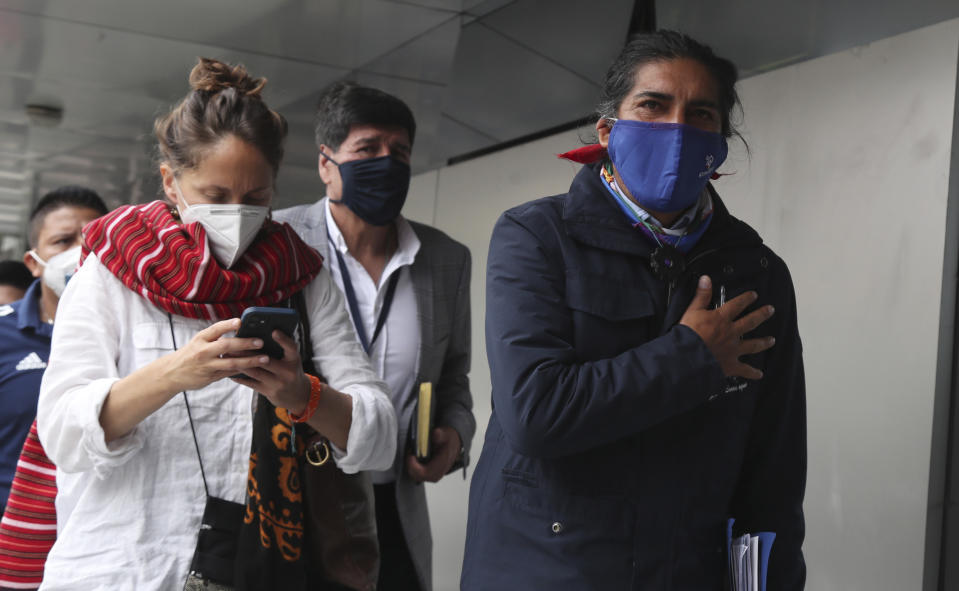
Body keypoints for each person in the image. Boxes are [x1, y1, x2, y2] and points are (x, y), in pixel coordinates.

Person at [461, 30, 806, 590]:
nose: (677, 129)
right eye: (652, 105)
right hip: (546, 570)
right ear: (608, 130)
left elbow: (773, 470)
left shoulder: (757, 273)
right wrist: (693, 356)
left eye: (701, 114)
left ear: (720, 143)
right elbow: (535, 413)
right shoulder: (537, 236)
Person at [35, 58, 396, 590]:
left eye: (255, 199)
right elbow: (62, 432)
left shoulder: (302, 276)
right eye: (215, 196)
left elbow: (382, 435)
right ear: (171, 182)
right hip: (121, 567)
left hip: (261, 567)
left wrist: (303, 395)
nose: (237, 213)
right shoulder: (112, 268)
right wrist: (174, 373)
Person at [275, 81, 475, 591]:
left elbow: (453, 374)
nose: (387, 164)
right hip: (295, 497)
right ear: (326, 165)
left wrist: (454, 438)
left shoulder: (446, 259)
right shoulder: (278, 240)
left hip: (394, 503)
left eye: (399, 152)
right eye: (367, 150)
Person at [0, 187, 107, 590]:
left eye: (93, 238)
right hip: (14, 554)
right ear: (33, 261)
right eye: (63, 241)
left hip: (102, 551)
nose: (80, 252)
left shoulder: (135, 334)